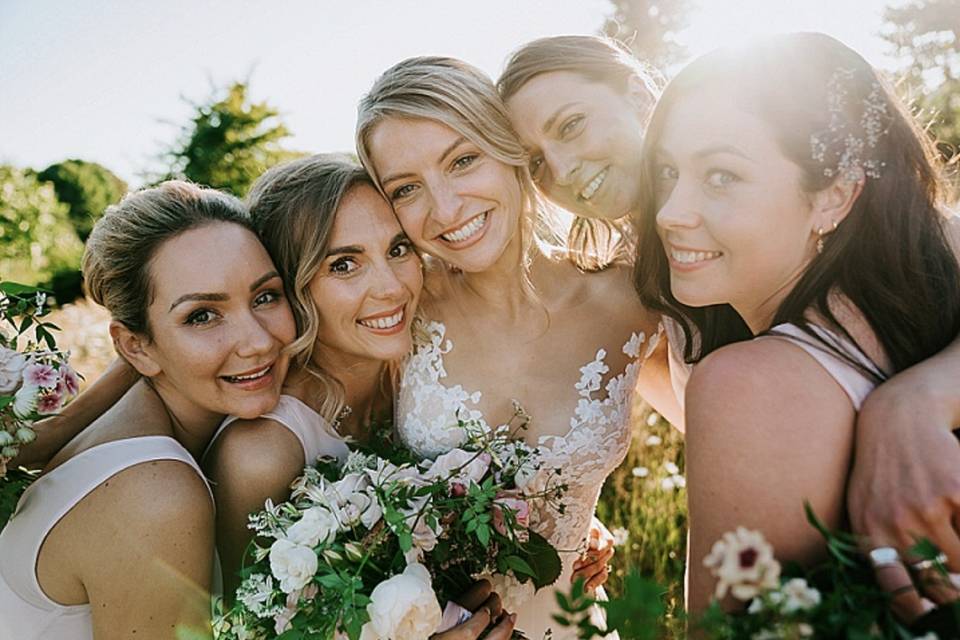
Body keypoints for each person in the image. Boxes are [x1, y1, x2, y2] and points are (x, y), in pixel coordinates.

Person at [499, 34, 960, 616]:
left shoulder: (814, 197)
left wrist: (919, 401)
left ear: (640, 99)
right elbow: (726, 437)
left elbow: (933, 256)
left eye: (570, 126)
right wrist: (572, 522)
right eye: (535, 162)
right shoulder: (634, 295)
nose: (560, 170)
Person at [355, 55, 675, 639]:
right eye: (407, 189)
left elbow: (719, 417)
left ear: (509, 150)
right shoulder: (395, 311)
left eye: (464, 160)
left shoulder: (634, 299)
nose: (446, 209)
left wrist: (574, 518)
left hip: (573, 623)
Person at [0, 181, 297, 639]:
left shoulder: (127, 425)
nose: (258, 341)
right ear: (136, 348)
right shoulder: (154, 495)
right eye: (202, 315)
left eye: (265, 296)